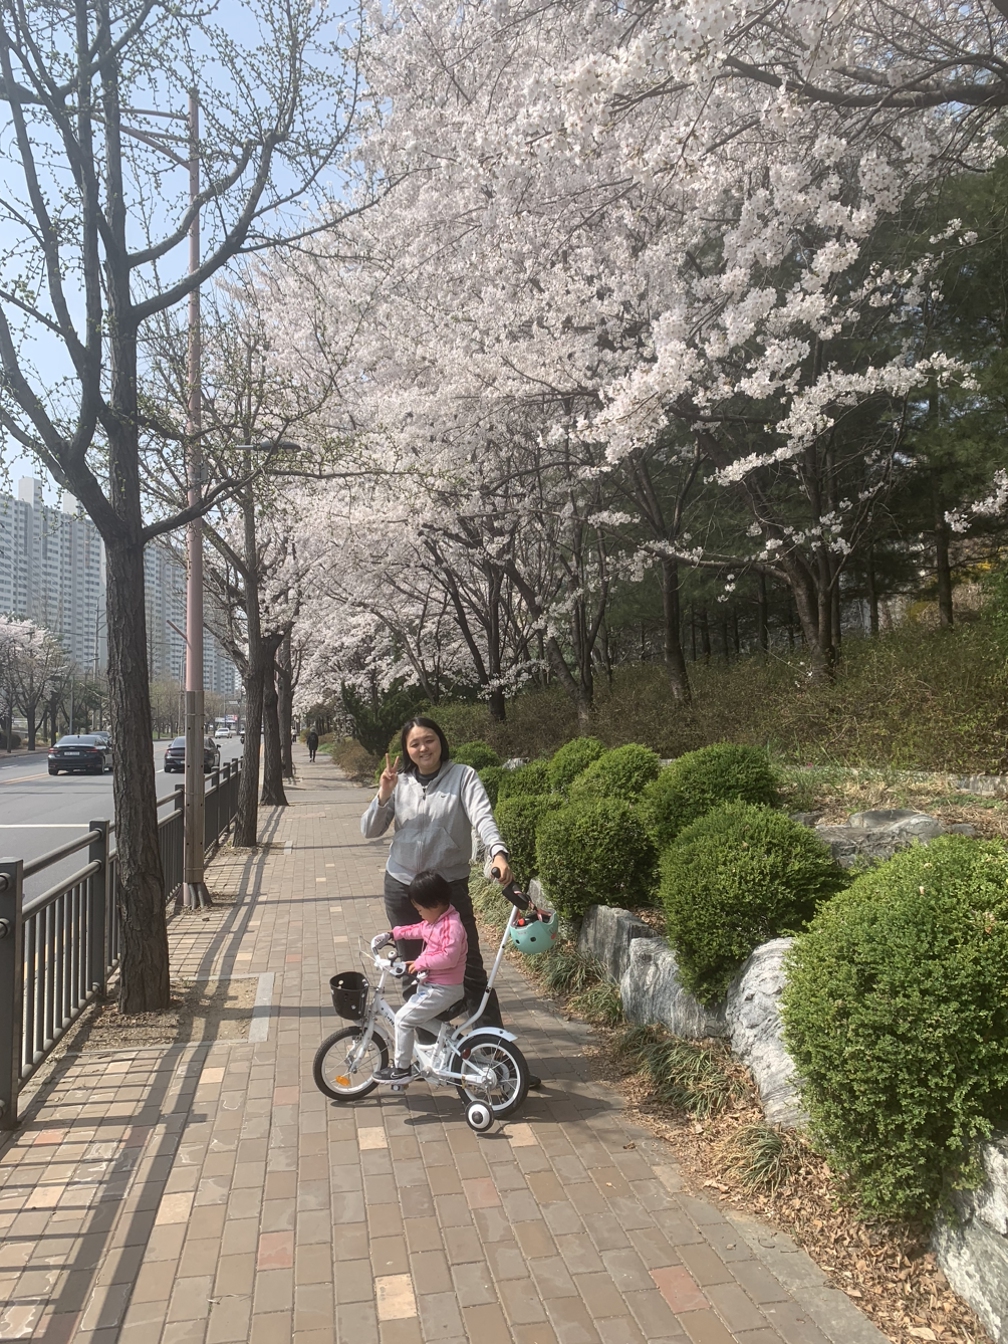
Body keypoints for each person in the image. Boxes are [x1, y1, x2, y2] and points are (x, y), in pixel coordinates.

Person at [360, 715, 542, 1087]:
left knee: (470, 971)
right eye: (414, 743)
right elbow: (369, 831)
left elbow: (483, 818)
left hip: (447, 891)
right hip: (403, 887)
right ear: (406, 750)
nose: (423, 748)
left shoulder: (463, 776)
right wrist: (383, 794)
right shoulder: (400, 782)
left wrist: (498, 852)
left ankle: (499, 1062)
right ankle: (429, 1055)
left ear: (440, 741)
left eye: (428, 739)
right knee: (413, 969)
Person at [373, 870, 467, 1082]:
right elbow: (418, 929)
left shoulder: (451, 926)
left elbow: (449, 957)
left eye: (420, 909)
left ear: (435, 904)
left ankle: (402, 1069)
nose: (420, 914)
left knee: (402, 1020)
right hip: (435, 985)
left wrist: (420, 962)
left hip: (444, 988)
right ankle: (453, 1039)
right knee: (416, 1016)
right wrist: (393, 934)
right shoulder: (435, 921)